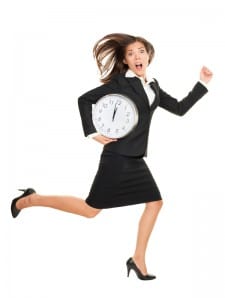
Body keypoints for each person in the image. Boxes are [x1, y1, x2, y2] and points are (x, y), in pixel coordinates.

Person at [11, 33, 213, 280]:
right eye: (130, 53)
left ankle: (138, 259)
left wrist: (202, 83)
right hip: (117, 157)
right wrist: (92, 133)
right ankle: (31, 199)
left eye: (141, 51)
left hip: (136, 159)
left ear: (149, 55)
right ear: (125, 61)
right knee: (90, 210)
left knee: (155, 202)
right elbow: (84, 100)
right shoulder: (121, 84)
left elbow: (179, 109)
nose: (137, 56)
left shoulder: (154, 87)